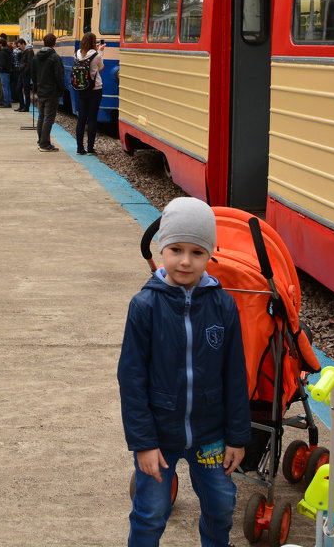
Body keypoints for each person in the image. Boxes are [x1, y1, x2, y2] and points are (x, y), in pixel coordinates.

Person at [118, 197, 249, 547]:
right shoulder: (145, 306)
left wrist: (237, 436)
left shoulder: (222, 304)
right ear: (162, 249)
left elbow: (235, 373)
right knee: (150, 512)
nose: (186, 261)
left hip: (211, 433)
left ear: (210, 255)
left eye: (197, 252)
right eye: (176, 249)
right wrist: (143, 443)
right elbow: (131, 380)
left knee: (222, 505)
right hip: (158, 435)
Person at [31, 33, 64, 151]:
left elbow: (33, 74)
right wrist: (61, 88)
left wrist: (37, 85)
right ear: (54, 43)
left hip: (41, 91)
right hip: (52, 92)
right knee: (49, 118)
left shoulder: (36, 57)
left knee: (41, 117)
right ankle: (45, 144)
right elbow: (59, 76)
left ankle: (41, 141)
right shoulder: (55, 57)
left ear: (44, 42)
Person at [73, 32, 105, 155]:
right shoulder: (96, 55)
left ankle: (80, 148)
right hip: (95, 89)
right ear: (93, 42)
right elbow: (100, 68)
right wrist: (101, 51)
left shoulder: (77, 54)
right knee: (92, 119)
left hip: (81, 89)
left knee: (81, 118)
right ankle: (90, 148)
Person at [14, 38, 33, 112]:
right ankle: (21, 105)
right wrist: (19, 53)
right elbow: (20, 60)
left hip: (26, 73)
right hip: (22, 73)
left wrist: (25, 71)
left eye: (19, 46)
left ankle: (26, 106)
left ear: (23, 44)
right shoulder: (23, 51)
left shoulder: (29, 51)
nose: (19, 48)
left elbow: (29, 63)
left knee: (26, 90)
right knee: (18, 89)